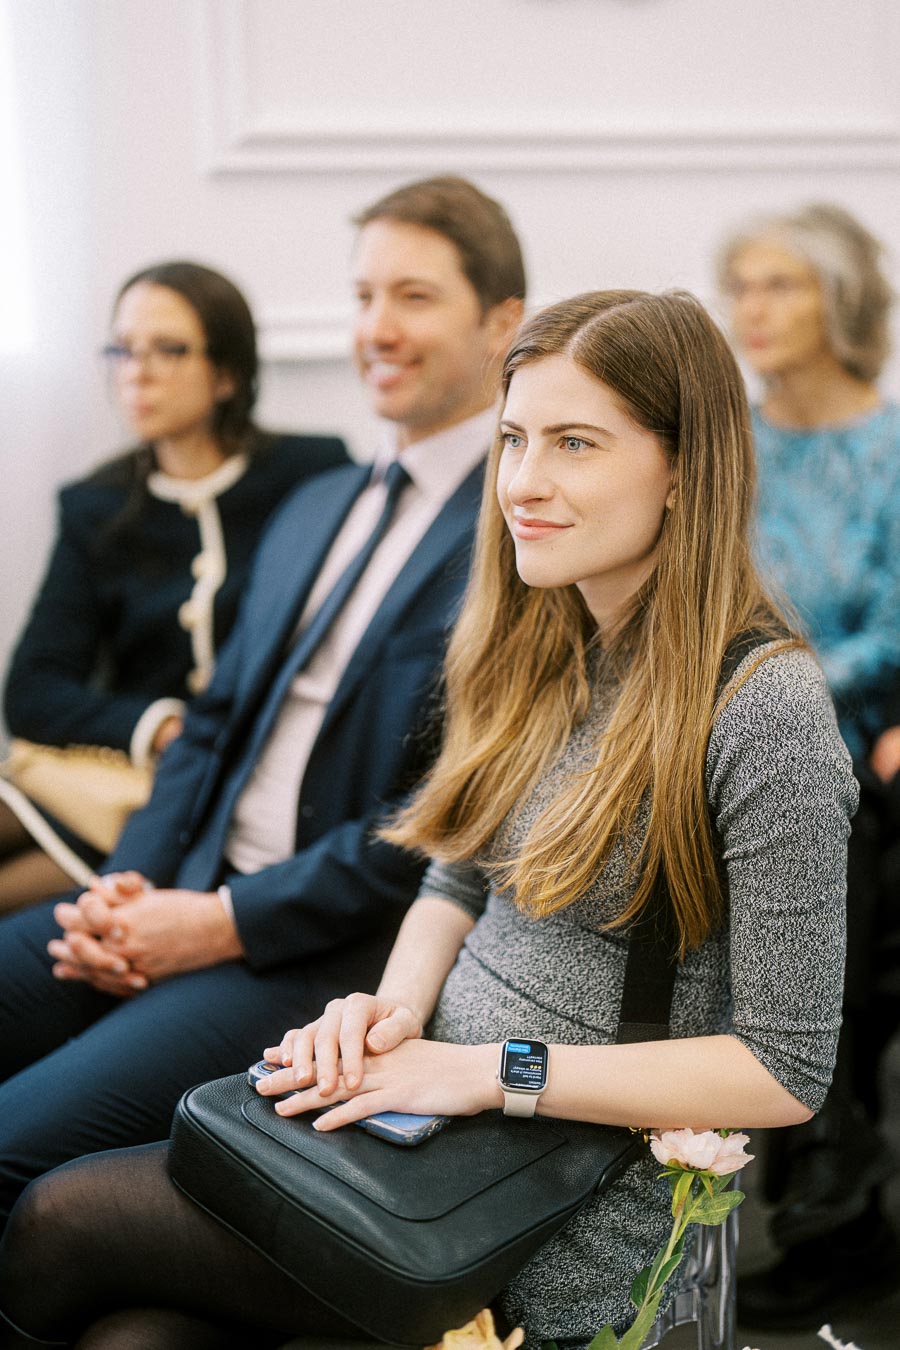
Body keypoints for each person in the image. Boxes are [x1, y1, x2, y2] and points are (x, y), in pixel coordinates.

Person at [0, 290, 855, 1350]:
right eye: (512, 440)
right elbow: (453, 876)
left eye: (574, 444)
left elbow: (783, 1070)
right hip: (426, 1118)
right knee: (132, 1337)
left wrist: (493, 1071)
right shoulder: (545, 639)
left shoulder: (765, 710)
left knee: (56, 1220)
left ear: (685, 468)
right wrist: (392, 1011)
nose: (524, 485)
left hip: (561, 1202)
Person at [0, 176, 526, 1233]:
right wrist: (131, 885)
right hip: (175, 890)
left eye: (414, 297)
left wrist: (212, 924)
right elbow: (209, 723)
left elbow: (437, 821)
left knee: (12, 1147)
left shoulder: (517, 533)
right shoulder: (318, 501)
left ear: (501, 323)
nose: (377, 327)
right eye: (364, 295)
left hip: (317, 951)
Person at [0, 260, 348, 908]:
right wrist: (158, 727)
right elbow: (32, 690)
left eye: (169, 349)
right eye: (123, 350)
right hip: (122, 774)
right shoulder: (95, 506)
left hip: (236, 790)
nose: (138, 371)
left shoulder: (314, 475)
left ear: (226, 373)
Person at [718, 203, 900, 1328]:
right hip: (712, 736)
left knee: (839, 891)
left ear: (837, 300)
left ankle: (838, 1208)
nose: (752, 310)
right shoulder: (723, 441)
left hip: (843, 749)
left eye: (779, 284)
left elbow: (894, 631)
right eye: (742, 285)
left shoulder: (890, 452)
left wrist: (773, 690)